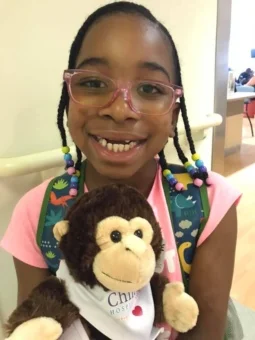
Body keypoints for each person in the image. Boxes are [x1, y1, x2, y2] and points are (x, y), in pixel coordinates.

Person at [1, 2, 241, 339]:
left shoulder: (208, 205)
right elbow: (33, 326)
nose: (119, 110)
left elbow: (205, 330)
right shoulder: (36, 213)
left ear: (174, 116)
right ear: (67, 99)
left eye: (150, 89)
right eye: (95, 84)